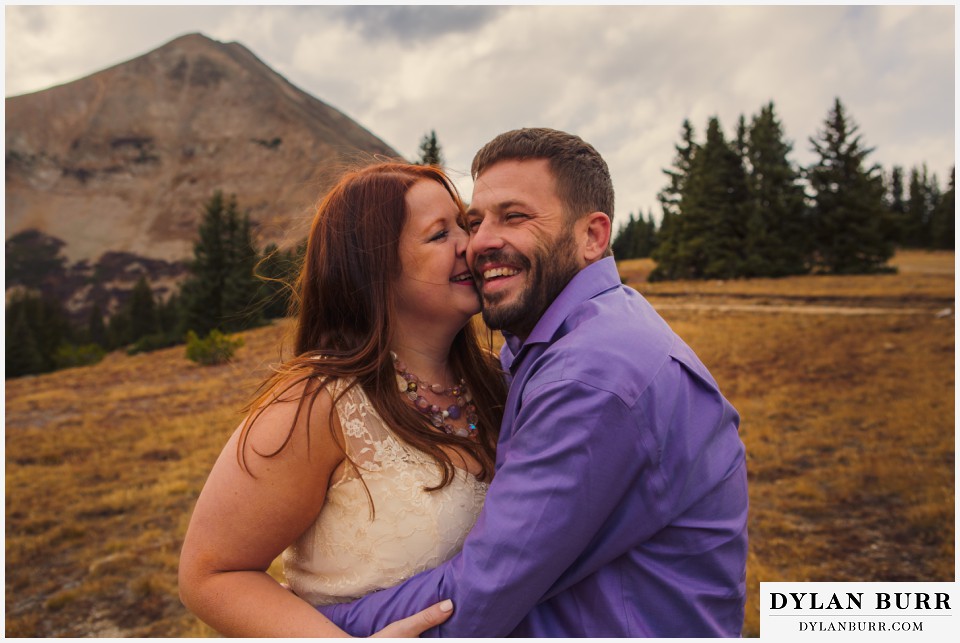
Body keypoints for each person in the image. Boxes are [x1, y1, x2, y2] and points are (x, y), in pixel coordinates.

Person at [316, 128, 749, 637]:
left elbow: (480, 595)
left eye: (514, 216)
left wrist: (312, 624)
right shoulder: (565, 336)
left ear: (592, 236)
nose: (479, 243)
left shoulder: (592, 375)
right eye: (474, 222)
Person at [177, 162, 508, 636]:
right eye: (439, 235)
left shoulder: (499, 379)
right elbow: (210, 574)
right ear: (374, 268)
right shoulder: (318, 403)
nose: (470, 245)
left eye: (465, 225)